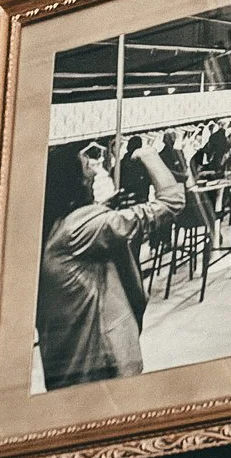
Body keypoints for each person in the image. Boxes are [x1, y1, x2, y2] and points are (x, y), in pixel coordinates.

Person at [35, 135, 186, 389]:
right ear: (71, 181)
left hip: (67, 364)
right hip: (102, 364)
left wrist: (104, 207)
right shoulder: (83, 227)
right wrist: (146, 153)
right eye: (87, 168)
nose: (94, 174)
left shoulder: (55, 223)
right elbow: (172, 202)